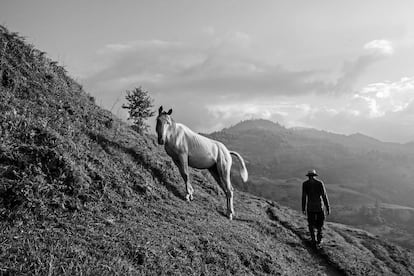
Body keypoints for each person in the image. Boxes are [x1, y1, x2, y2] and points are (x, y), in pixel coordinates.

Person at [302, 169, 330, 246]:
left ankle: (314, 239)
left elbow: (304, 197)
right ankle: (317, 239)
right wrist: (327, 207)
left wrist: (303, 208)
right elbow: (324, 196)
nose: (311, 178)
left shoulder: (305, 184)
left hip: (312, 207)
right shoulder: (319, 183)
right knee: (319, 225)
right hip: (318, 207)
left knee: (313, 224)